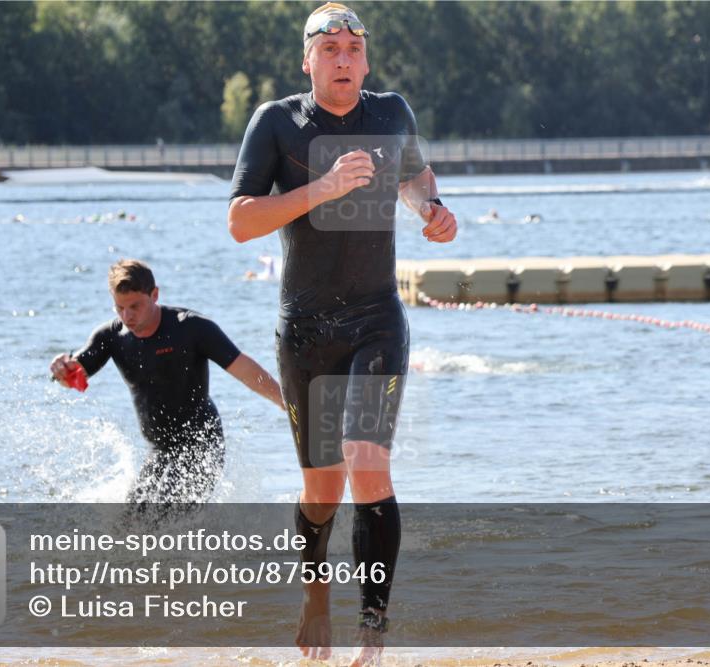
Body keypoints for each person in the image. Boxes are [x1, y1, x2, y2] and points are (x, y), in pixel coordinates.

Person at [227, 3, 457, 664]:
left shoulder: (392, 113)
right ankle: (314, 594)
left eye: (354, 48)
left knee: (366, 459)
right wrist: (323, 187)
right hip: (304, 331)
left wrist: (431, 211)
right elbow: (241, 222)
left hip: (376, 318)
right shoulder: (276, 122)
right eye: (330, 48)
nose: (344, 59)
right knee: (322, 490)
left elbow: (415, 177)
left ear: (366, 59)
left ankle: (373, 633)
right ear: (308, 60)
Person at [50, 259, 284, 505]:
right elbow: (74, 377)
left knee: (165, 518)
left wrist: (285, 402)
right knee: (127, 525)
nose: (126, 316)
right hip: (159, 451)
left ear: (154, 295)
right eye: (119, 308)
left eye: (135, 306)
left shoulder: (190, 327)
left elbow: (244, 368)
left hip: (202, 444)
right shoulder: (110, 336)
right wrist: (61, 372)